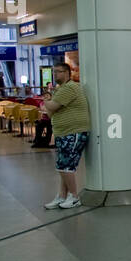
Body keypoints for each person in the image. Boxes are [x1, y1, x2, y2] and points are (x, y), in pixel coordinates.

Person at [42, 61, 90, 210]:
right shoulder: (61, 89)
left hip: (74, 132)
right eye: (54, 71)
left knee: (66, 166)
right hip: (64, 132)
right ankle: (62, 195)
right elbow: (50, 113)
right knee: (63, 166)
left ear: (67, 73)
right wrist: (49, 104)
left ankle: (74, 196)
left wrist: (47, 101)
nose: (55, 74)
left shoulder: (70, 88)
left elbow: (51, 107)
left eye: (58, 71)